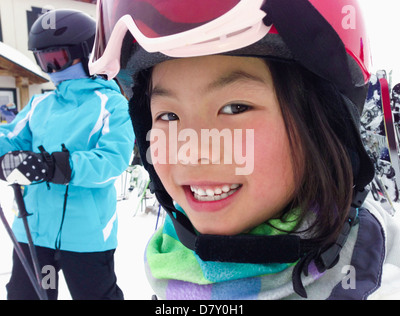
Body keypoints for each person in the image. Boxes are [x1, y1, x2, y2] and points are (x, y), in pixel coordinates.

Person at [89, 0, 400, 299]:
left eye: (235, 108)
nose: (193, 151)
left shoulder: (373, 280)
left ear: (323, 124)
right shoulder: (172, 262)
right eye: (168, 116)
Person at [0, 9, 134, 300]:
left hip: (85, 237)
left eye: (58, 59)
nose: (52, 70)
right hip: (34, 230)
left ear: (87, 54)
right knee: (30, 296)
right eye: (44, 61)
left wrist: (54, 166)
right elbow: (8, 139)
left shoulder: (110, 104)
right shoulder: (40, 105)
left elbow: (114, 160)